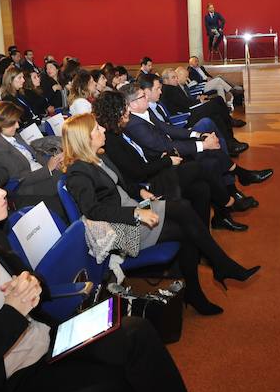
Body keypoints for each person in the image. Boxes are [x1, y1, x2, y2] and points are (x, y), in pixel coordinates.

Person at [0, 157, 191, 392]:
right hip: (13, 381)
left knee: (136, 332)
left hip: (46, 341)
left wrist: (33, 286)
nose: (2, 192)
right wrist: (12, 312)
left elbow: (39, 291)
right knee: (117, 382)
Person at [63, 113, 259, 315]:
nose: (103, 129)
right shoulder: (77, 173)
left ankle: (212, 275)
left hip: (132, 208)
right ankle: (216, 272)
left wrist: (140, 192)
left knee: (185, 215)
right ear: (84, 138)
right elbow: (93, 211)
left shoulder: (99, 156)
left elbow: (122, 184)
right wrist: (137, 213)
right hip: (121, 227)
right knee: (186, 226)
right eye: (96, 129)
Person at [94, 90, 252, 232]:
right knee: (204, 163)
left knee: (202, 186)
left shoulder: (126, 126)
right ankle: (229, 196)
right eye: (144, 95)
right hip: (153, 178)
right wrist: (169, 159)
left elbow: (165, 131)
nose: (151, 95)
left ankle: (212, 224)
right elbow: (137, 169)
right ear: (119, 110)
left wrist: (196, 137)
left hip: (161, 162)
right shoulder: (124, 130)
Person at [0, 102, 64, 207]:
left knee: (70, 171)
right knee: (69, 178)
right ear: (0, 124)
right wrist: (48, 169)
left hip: (38, 173)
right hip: (27, 188)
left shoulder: (12, 135)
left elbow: (35, 154)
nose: (17, 125)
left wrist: (53, 164)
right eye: (13, 122)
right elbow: (19, 179)